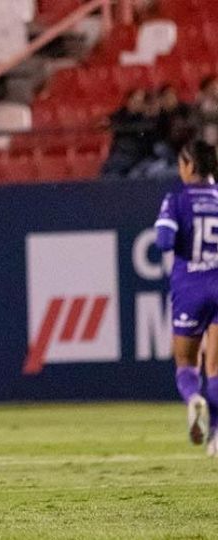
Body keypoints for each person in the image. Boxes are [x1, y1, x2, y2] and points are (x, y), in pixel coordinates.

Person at [155, 139, 218, 456]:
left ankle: (194, 398)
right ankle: (217, 437)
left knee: (185, 361)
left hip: (190, 289)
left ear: (190, 165)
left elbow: (164, 241)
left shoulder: (176, 201)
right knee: (217, 366)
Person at [101, 88, 158, 179]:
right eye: (134, 100)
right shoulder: (120, 115)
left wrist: (120, 127)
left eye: (139, 101)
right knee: (110, 169)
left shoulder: (146, 118)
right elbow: (105, 123)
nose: (136, 103)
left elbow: (145, 128)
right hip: (119, 153)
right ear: (128, 101)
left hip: (138, 155)